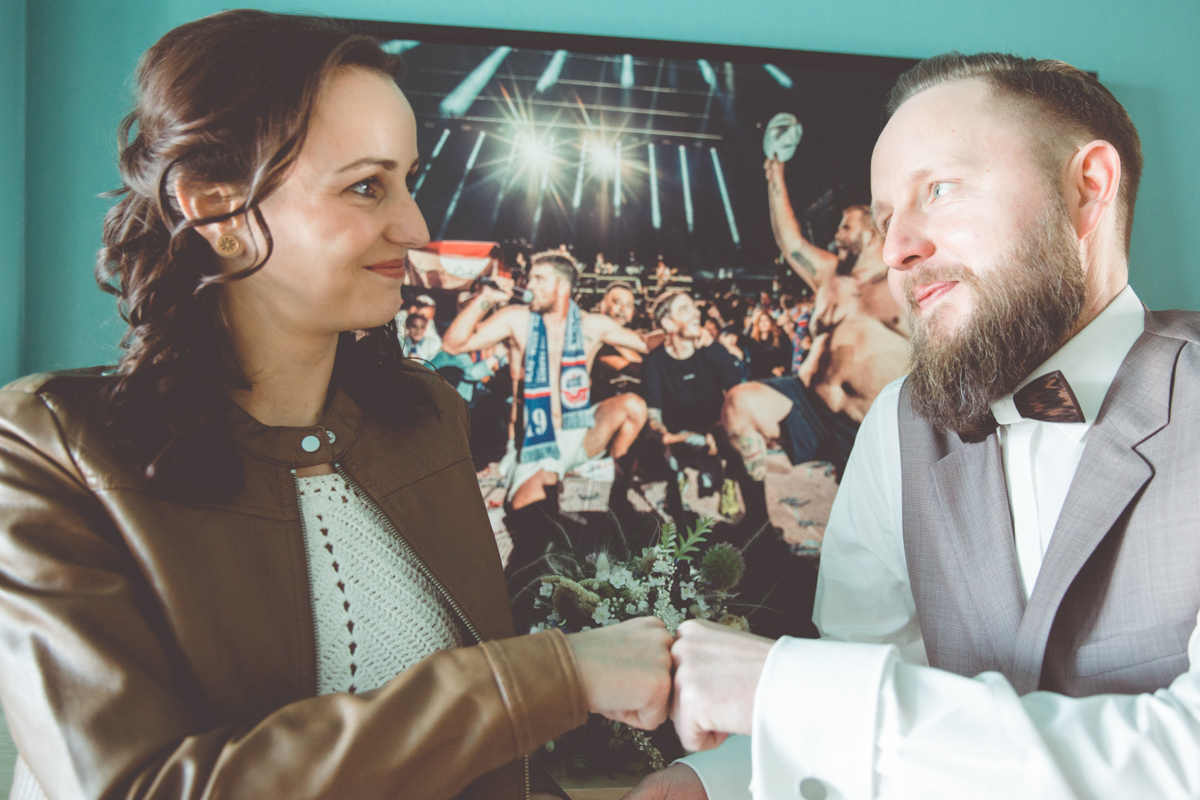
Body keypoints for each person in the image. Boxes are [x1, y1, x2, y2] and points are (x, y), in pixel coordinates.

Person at [0, 13, 678, 800]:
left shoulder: (426, 421)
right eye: (366, 186)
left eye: (408, 179)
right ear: (217, 210)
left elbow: (489, 768)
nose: (416, 226)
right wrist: (553, 677)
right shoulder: (51, 449)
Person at [627, 51, 1200, 800]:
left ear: (1087, 190)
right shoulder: (899, 425)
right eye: (890, 216)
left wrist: (788, 689)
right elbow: (869, 698)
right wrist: (711, 784)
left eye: (941, 189)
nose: (897, 251)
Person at [720, 155, 911, 529]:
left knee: (877, 533)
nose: (836, 235)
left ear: (872, 233)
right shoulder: (828, 275)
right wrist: (775, 173)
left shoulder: (903, 282)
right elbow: (789, 241)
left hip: (870, 423)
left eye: (845, 227)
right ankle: (759, 528)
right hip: (810, 405)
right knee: (739, 404)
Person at [441, 252, 650, 573]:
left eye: (539, 279)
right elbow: (454, 345)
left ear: (562, 286)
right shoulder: (518, 319)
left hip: (579, 431)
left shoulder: (592, 325)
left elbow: (645, 345)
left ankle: (615, 495)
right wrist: (484, 299)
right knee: (531, 517)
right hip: (538, 441)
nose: (530, 285)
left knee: (633, 406)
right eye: (531, 278)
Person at [643, 292, 745, 524]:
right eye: (684, 309)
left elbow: (739, 397)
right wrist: (667, 437)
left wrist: (718, 430)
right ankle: (675, 486)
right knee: (657, 453)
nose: (696, 313)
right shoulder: (655, 362)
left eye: (694, 307)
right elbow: (653, 414)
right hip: (678, 434)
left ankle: (730, 483)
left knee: (743, 434)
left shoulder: (714, 352)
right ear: (668, 323)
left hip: (718, 427)